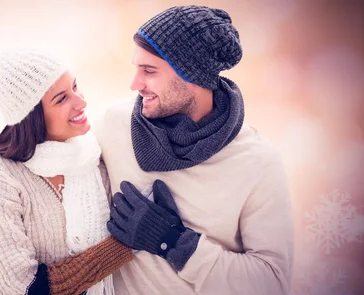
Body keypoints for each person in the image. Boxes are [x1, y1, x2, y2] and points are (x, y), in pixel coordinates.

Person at [93, 5, 295, 295]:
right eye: (136, 68)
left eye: (149, 71)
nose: (135, 84)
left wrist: (174, 242)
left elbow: (272, 284)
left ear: (193, 76)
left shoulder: (258, 162)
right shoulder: (113, 124)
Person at [0, 49, 132, 295]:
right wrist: (125, 245)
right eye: (61, 99)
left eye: (75, 87)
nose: (81, 102)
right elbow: (22, 287)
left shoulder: (95, 156)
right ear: (31, 117)